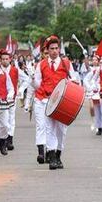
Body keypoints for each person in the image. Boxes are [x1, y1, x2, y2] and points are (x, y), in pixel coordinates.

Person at [32, 36, 79, 169]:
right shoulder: (41, 64)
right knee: (49, 129)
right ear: (47, 50)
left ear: (59, 49)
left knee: (62, 131)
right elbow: (37, 85)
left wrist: (74, 82)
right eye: (51, 49)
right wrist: (32, 80)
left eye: (56, 48)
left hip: (63, 102)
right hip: (46, 100)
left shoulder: (66, 63)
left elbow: (74, 77)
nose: (54, 51)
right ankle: (52, 157)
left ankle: (58, 155)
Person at [0, 51, 19, 151]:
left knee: (11, 118)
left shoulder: (15, 70)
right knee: (3, 120)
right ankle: (1, 139)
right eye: (3, 59)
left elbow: (26, 79)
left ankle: (10, 139)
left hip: (12, 99)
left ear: (10, 59)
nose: (4, 61)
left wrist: (19, 90)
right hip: (1, 99)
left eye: (6, 59)